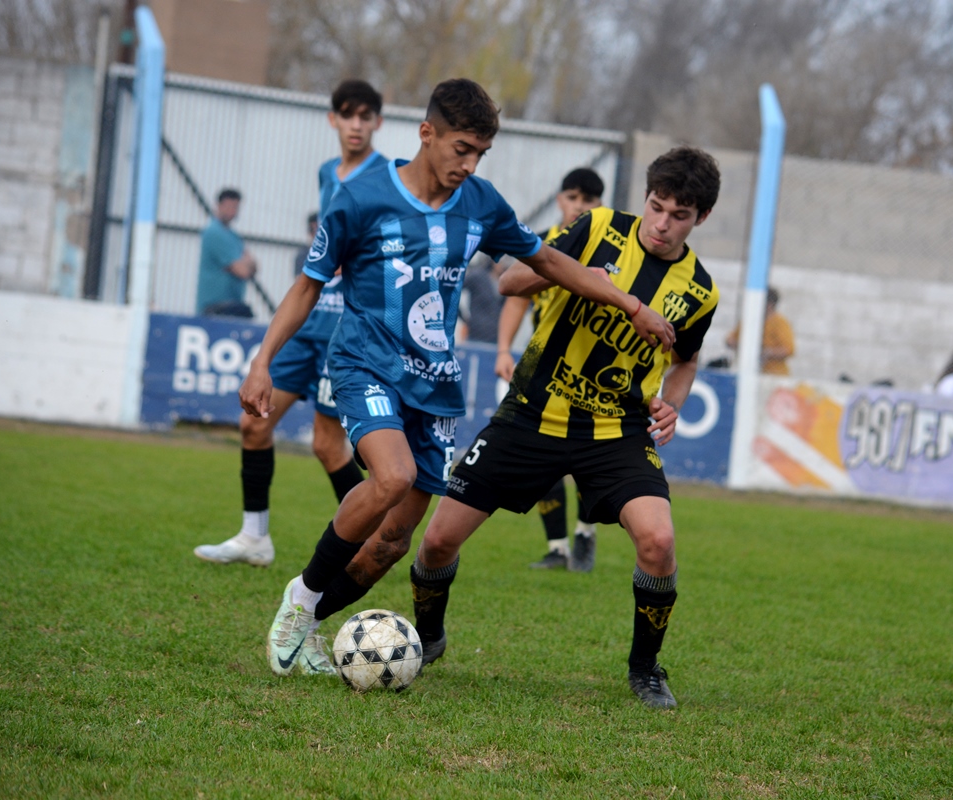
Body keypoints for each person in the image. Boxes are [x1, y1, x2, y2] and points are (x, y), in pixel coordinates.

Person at [241, 78, 674, 678]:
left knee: (394, 542)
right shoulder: (360, 197)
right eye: (461, 149)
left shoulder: (481, 203)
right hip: (364, 361)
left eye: (480, 155)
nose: (467, 165)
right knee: (390, 477)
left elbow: (546, 260)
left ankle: (310, 628)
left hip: (436, 385)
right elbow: (308, 284)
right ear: (427, 134)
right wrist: (262, 361)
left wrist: (632, 304)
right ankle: (302, 598)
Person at [410, 146, 722, 710]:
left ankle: (646, 669)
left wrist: (671, 402)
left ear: (700, 218)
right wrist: (593, 284)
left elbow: (687, 360)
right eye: (656, 207)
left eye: (679, 215)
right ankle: (429, 636)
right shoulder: (596, 228)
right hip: (531, 412)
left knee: (659, 541)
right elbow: (509, 282)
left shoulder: (700, 290)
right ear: (644, 199)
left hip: (616, 430)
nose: (661, 224)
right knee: (436, 540)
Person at [194, 80, 386, 568]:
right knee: (252, 425)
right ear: (333, 120)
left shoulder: (387, 177)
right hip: (308, 324)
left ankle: (374, 539)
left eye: (366, 116)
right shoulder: (328, 172)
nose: (357, 125)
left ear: (378, 123)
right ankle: (255, 537)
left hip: (345, 333)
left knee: (327, 445)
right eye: (348, 115)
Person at [495, 167, 605, 571]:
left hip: (591, 371)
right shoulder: (538, 243)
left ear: (599, 205)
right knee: (541, 455)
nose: (579, 206)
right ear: (561, 199)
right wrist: (504, 349)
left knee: (590, 458)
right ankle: (558, 547)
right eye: (573, 198)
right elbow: (516, 299)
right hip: (542, 368)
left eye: (589, 200)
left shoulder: (606, 247)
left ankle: (585, 534)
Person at [196, 188, 257, 318]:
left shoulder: (234, 236)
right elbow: (243, 271)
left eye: (236, 207)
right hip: (215, 307)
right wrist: (245, 263)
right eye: (229, 206)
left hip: (232, 304)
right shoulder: (214, 233)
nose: (233, 211)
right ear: (219, 206)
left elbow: (253, 266)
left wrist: (247, 264)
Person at [724, 286, 794, 374]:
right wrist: (745, 346)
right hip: (747, 371)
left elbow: (788, 350)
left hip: (773, 374)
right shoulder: (750, 320)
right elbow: (729, 340)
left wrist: (766, 352)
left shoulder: (780, 322)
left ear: (770, 304)